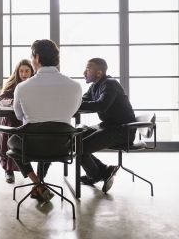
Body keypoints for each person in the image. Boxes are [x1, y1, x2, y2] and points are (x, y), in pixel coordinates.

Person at [9, 39, 82, 202]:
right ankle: (39, 184)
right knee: (49, 136)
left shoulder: (22, 87)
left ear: (37, 58)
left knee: (12, 140)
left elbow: (19, 116)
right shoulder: (75, 86)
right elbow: (74, 112)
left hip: (32, 145)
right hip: (62, 146)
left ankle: (38, 183)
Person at [79, 58, 136, 193]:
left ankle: (96, 175)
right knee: (76, 138)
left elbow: (101, 105)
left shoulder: (110, 84)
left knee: (80, 147)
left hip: (122, 130)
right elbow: (83, 101)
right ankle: (104, 170)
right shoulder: (94, 86)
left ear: (99, 73)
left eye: (88, 69)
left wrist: (75, 105)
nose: (84, 72)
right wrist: (71, 103)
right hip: (108, 126)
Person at [0, 59, 34, 183]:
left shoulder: (34, 84)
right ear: (17, 72)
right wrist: (15, 102)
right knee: (10, 129)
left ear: (32, 71)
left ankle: (28, 168)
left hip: (28, 118)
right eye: (21, 71)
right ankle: (8, 170)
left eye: (27, 71)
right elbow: (2, 99)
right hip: (11, 117)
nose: (24, 74)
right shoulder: (12, 84)